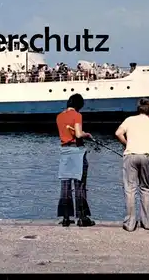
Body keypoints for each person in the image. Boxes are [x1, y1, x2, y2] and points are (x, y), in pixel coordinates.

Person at [115, 98, 149, 232]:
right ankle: (148, 222)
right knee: (145, 188)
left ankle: (130, 223)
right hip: (146, 157)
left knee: (130, 190)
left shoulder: (129, 120)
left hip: (131, 155)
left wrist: (126, 143)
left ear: (138, 110)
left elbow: (118, 133)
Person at [56, 93, 96, 227]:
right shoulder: (77, 115)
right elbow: (78, 134)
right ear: (79, 105)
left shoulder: (59, 116)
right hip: (77, 151)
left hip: (64, 151)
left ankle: (66, 218)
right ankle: (82, 217)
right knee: (80, 185)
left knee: (66, 185)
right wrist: (87, 134)